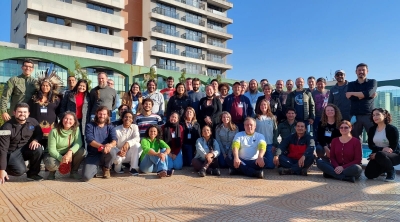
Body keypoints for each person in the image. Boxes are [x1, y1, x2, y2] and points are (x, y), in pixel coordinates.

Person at [0, 103, 44, 183]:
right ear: (14, 113)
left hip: (25, 149)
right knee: (19, 171)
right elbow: (3, 149)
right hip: (11, 152)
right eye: (19, 112)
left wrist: (36, 140)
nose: (22, 114)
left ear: (28, 113)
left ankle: (32, 174)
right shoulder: (6, 127)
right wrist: (1, 169)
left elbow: (39, 134)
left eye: (24, 112)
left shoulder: (33, 122)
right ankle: (4, 170)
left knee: (38, 149)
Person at [45, 111, 85, 180]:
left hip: (67, 153)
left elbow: (79, 143)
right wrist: (61, 158)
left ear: (74, 121)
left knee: (82, 151)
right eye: (66, 118)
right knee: (51, 164)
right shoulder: (54, 131)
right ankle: (52, 172)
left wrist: (70, 152)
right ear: (62, 120)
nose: (67, 121)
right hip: (54, 153)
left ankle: (74, 172)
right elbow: (52, 150)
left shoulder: (76, 129)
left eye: (70, 119)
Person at [82, 106, 117, 181]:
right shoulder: (90, 125)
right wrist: (102, 146)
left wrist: (109, 145)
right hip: (93, 154)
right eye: (100, 114)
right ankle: (95, 168)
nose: (102, 116)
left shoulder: (110, 126)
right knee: (86, 177)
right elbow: (90, 140)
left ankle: (106, 168)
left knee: (112, 151)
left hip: (106, 153)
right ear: (96, 114)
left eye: (104, 114)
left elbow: (114, 140)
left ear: (107, 115)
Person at [28, 72, 62, 149]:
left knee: (49, 148)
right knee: (36, 149)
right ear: (40, 86)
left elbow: (59, 112)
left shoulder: (56, 99)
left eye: (47, 85)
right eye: (43, 85)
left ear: (51, 87)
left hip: (51, 128)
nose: (45, 87)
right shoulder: (34, 97)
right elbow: (28, 110)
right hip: (36, 127)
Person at [365, 108, 400, 182]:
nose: (375, 117)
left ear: (384, 115)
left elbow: (393, 147)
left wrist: (379, 152)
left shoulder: (392, 129)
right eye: (373, 115)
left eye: (377, 114)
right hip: (379, 155)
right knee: (369, 174)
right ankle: (384, 167)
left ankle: (391, 171)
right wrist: (381, 150)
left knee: (380, 154)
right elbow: (371, 145)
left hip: (395, 155)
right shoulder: (372, 129)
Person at [346, 63, 377, 139]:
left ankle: (375, 151)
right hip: (355, 116)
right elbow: (350, 98)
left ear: (367, 71)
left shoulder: (372, 82)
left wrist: (353, 93)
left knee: (373, 137)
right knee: (355, 138)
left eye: (363, 70)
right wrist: (366, 96)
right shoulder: (351, 84)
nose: (361, 72)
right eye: (359, 70)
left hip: (369, 115)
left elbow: (369, 93)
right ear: (356, 72)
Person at [113, 110, 142, 176]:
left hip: (129, 154)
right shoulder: (116, 129)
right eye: (126, 117)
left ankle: (133, 168)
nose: (128, 119)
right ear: (122, 118)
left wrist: (128, 143)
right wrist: (118, 151)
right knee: (117, 165)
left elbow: (137, 138)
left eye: (130, 117)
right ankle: (118, 168)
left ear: (132, 120)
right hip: (119, 154)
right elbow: (113, 143)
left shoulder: (135, 127)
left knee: (137, 145)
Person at [255, 99, 278, 169]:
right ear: (259, 106)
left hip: (269, 143)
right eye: (261, 105)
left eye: (265, 104)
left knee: (271, 166)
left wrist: (274, 144)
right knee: (258, 164)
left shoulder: (272, 118)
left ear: (268, 106)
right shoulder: (255, 117)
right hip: (258, 144)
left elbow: (275, 131)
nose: (263, 106)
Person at [312, 77, 330, 142]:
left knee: (327, 132)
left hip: (327, 116)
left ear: (325, 84)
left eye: (321, 84)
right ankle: (317, 147)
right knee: (316, 132)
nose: (320, 85)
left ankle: (327, 145)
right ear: (316, 84)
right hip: (316, 116)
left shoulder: (329, 92)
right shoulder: (313, 93)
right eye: (318, 84)